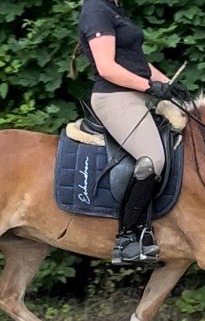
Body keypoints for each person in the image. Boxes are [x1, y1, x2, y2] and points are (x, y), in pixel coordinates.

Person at [76, 0, 185, 265]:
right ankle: (126, 239)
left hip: (136, 94)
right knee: (153, 158)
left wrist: (167, 85)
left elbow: (137, 63)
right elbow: (106, 67)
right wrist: (150, 87)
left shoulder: (113, 8)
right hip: (115, 98)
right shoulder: (96, 9)